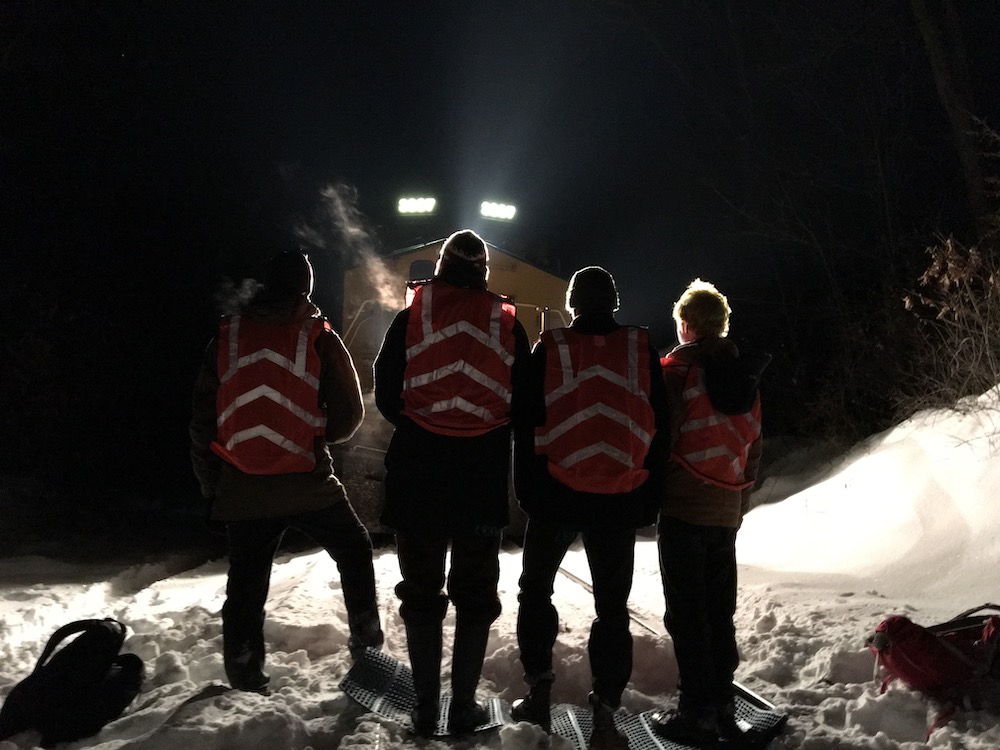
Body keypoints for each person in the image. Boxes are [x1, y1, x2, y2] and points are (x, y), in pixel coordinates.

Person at [189, 250, 384, 694]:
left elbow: (202, 422)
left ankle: (244, 674)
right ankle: (367, 644)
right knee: (355, 549)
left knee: (246, 581)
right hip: (307, 481)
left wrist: (213, 487)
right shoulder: (317, 336)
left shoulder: (226, 337)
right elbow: (350, 415)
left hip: (242, 485)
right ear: (305, 287)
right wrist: (316, 438)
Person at [373, 229, 532, 737]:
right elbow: (524, 402)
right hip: (480, 476)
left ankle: (424, 706)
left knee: (421, 589)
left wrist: (423, 428)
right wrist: (486, 432)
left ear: (439, 268)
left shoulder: (411, 316)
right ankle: (462, 706)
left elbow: (386, 391)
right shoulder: (507, 324)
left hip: (418, 470)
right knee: (475, 592)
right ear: (484, 272)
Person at [510, 266, 670, 750]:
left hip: (557, 495)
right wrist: (648, 497)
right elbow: (662, 427)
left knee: (535, 592)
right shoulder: (642, 349)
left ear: (574, 301)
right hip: (618, 499)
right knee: (612, 610)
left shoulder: (551, 347)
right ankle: (605, 710)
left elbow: (525, 419)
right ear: (614, 301)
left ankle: (538, 690)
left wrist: (528, 493)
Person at [652, 278, 763, 746]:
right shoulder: (745, 378)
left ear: (686, 325)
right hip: (725, 512)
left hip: (683, 508)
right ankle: (722, 706)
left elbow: (661, 440)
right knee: (719, 612)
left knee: (686, 614)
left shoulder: (676, 374)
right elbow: (754, 448)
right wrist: (737, 503)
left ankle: (694, 713)